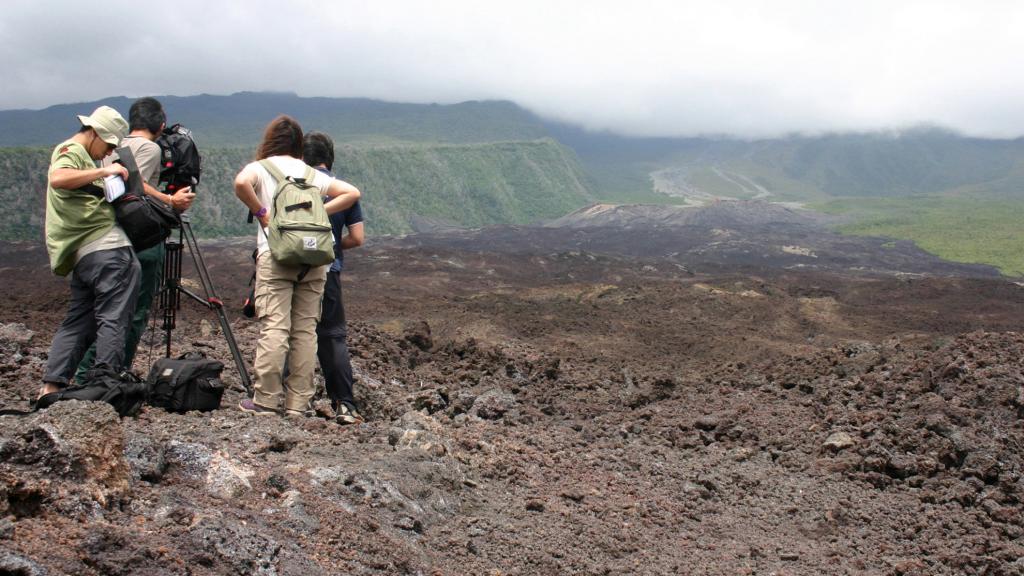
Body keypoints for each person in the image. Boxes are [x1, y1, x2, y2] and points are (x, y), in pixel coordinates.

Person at [234, 115, 361, 416]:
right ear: (299, 145)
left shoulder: (260, 168)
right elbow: (352, 193)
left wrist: (262, 213)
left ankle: (265, 400)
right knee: (305, 330)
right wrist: (319, 211)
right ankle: (298, 405)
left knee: (276, 326)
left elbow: (240, 183)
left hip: (277, 255)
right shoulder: (309, 173)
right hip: (313, 259)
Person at [75, 98, 195, 380]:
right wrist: (170, 200)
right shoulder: (151, 148)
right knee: (134, 314)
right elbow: (134, 185)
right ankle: (104, 375)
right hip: (140, 239)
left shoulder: (112, 146)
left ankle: (86, 374)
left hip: (105, 236)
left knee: (105, 311)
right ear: (161, 125)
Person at [40, 106, 140, 397]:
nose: (108, 152)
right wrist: (104, 170)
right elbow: (58, 177)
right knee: (114, 316)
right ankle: (105, 384)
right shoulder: (71, 150)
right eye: (108, 145)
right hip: (108, 249)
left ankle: (51, 387)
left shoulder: (82, 157)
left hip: (83, 254)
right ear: (94, 133)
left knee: (79, 320)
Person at [303, 131, 365, 424]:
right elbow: (358, 237)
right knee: (332, 336)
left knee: (292, 333)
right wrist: (333, 245)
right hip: (328, 270)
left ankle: (286, 401)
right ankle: (345, 405)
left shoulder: (292, 185)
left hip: (292, 269)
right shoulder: (342, 190)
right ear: (330, 157)